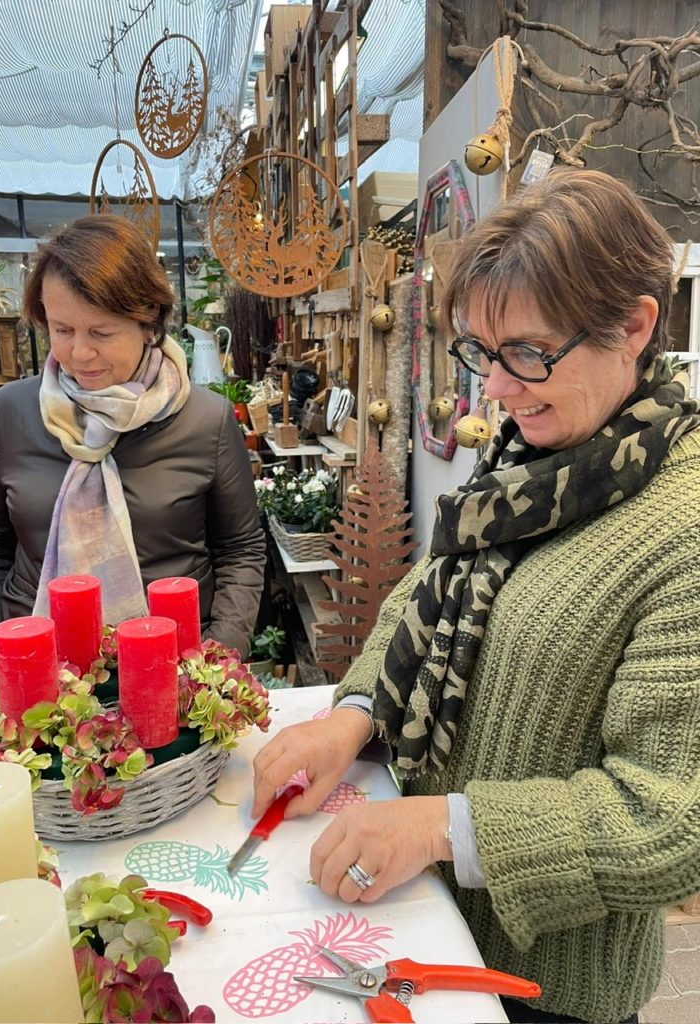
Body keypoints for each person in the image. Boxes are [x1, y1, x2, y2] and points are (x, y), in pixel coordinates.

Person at [251, 169, 700, 1024]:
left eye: (528, 352)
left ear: (635, 326)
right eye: (482, 354)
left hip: (545, 992)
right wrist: (350, 719)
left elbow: (672, 825)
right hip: (422, 924)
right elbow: (428, 591)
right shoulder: (534, 458)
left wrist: (438, 828)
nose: (494, 388)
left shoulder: (684, 524)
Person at [0, 214, 266, 665]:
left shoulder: (205, 419)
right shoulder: (11, 412)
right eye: (62, 330)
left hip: (176, 658)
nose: (79, 353)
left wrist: (218, 655)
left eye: (101, 333)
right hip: (39, 658)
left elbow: (241, 549)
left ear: (149, 324)